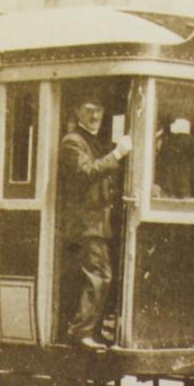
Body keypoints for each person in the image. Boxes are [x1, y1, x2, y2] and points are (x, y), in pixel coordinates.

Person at [59, 88, 131, 350]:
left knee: (101, 275)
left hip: (100, 223)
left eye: (98, 111)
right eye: (89, 110)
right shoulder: (72, 141)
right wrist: (117, 155)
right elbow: (85, 173)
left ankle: (93, 329)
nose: (94, 115)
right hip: (86, 223)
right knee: (99, 275)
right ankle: (81, 332)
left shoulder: (94, 141)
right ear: (77, 112)